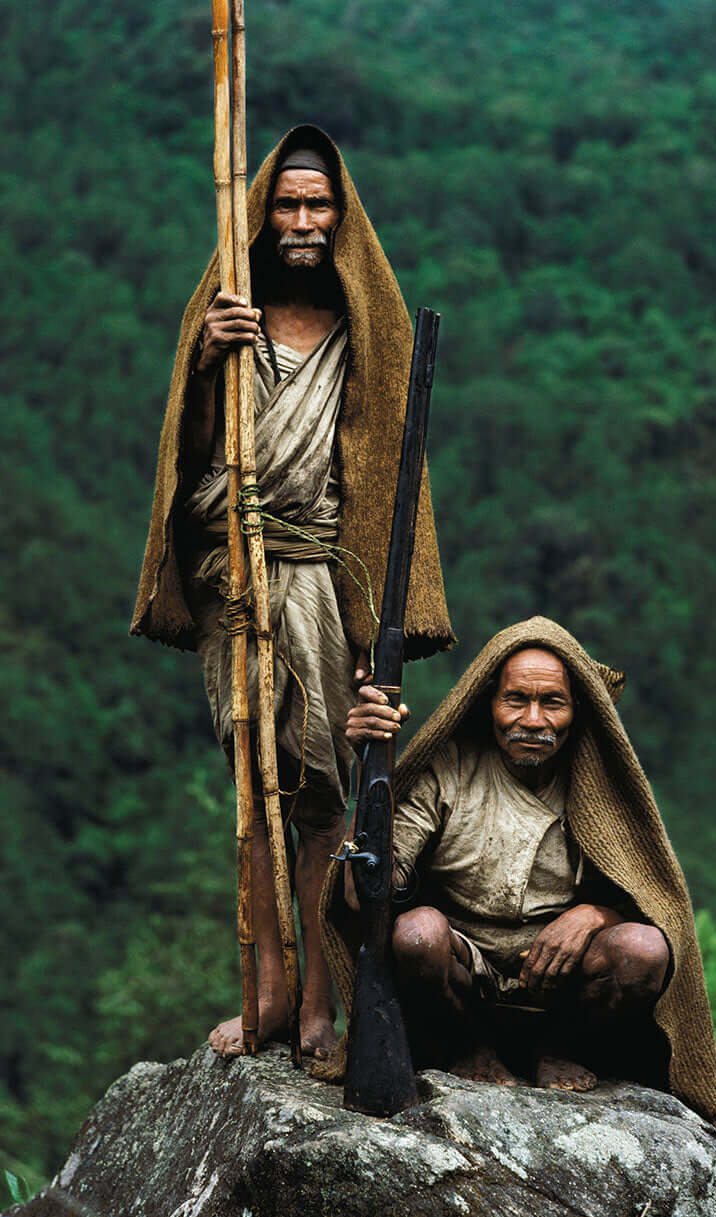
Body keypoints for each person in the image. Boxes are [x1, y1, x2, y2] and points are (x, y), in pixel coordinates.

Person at [131, 125, 454, 1060]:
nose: (304, 221)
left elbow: (382, 485)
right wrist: (205, 356)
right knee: (251, 782)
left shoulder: (366, 330)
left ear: (340, 219)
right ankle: (266, 987)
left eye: (319, 206)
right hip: (238, 576)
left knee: (320, 794)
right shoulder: (227, 317)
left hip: (320, 581)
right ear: (264, 215)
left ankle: (321, 999)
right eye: (288, 204)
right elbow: (185, 461)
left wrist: (370, 632)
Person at [337, 615, 716, 1141]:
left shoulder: (597, 779)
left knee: (643, 950)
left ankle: (558, 1048)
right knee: (417, 935)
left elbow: (650, 899)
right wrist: (369, 768)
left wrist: (594, 914)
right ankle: (467, 1047)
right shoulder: (450, 769)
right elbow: (363, 895)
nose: (532, 719)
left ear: (576, 711)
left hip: (559, 983)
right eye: (515, 700)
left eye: (552, 701)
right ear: (488, 703)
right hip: (462, 969)